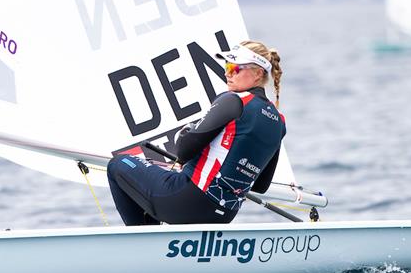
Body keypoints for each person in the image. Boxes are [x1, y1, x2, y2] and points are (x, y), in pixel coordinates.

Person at [107, 40, 286, 226]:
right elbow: (260, 185)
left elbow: (183, 151)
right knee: (155, 178)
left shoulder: (233, 101)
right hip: (224, 215)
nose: (227, 72)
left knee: (117, 164)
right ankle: (154, 241)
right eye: (226, 65)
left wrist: (186, 132)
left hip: (186, 202)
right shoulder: (279, 121)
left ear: (258, 73)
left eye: (235, 67)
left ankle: (140, 243)